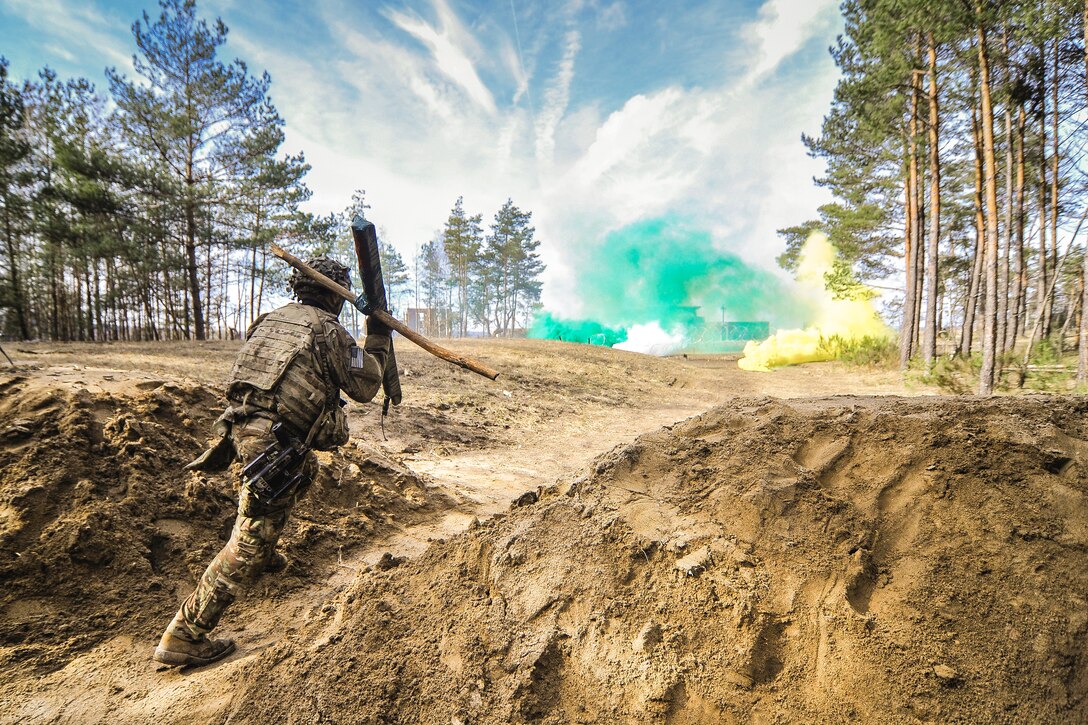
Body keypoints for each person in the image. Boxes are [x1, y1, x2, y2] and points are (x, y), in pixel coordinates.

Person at [153, 256, 390, 667]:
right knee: (250, 537)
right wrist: (377, 339)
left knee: (299, 477)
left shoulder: (270, 319)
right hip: (273, 444)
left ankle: (264, 550)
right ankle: (186, 635)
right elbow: (366, 384)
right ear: (337, 296)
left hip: (242, 432)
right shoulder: (328, 330)